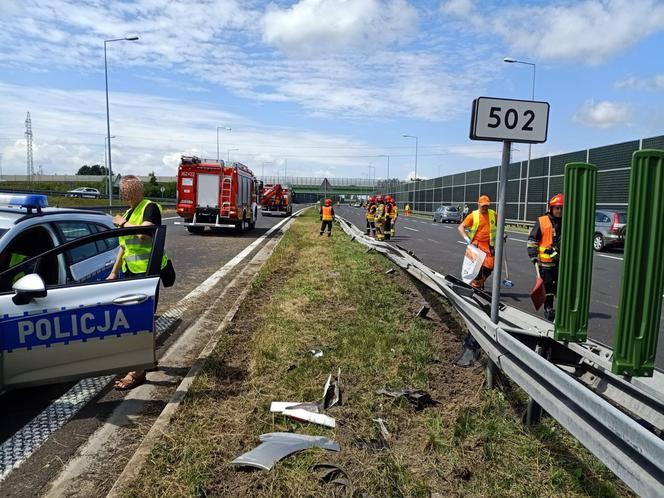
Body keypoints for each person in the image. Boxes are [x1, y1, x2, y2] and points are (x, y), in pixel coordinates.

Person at [108, 175, 169, 390]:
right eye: (123, 190)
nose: (124, 193)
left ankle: (137, 372)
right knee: (144, 320)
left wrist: (122, 223)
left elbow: (144, 234)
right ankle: (148, 361)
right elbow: (124, 247)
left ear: (134, 190)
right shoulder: (128, 212)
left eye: (126, 189)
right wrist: (114, 272)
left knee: (139, 322)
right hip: (131, 274)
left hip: (147, 273)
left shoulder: (150, 208)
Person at [527, 193, 563, 321]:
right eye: (557, 208)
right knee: (548, 287)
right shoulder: (542, 221)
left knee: (560, 287)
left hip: (560, 264)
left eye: (561, 208)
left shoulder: (566, 223)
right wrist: (533, 255)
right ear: (551, 208)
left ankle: (563, 311)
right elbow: (532, 240)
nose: (559, 211)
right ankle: (548, 309)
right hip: (545, 263)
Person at [457, 195, 496, 290]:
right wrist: (466, 238)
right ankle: (476, 286)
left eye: (486, 205)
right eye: (483, 206)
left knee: (489, 267)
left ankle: (480, 283)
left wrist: (503, 234)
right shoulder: (473, 215)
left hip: (489, 245)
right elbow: (460, 227)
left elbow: (499, 226)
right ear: (478, 204)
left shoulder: (493, 214)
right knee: (476, 268)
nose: (485, 207)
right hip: (476, 245)